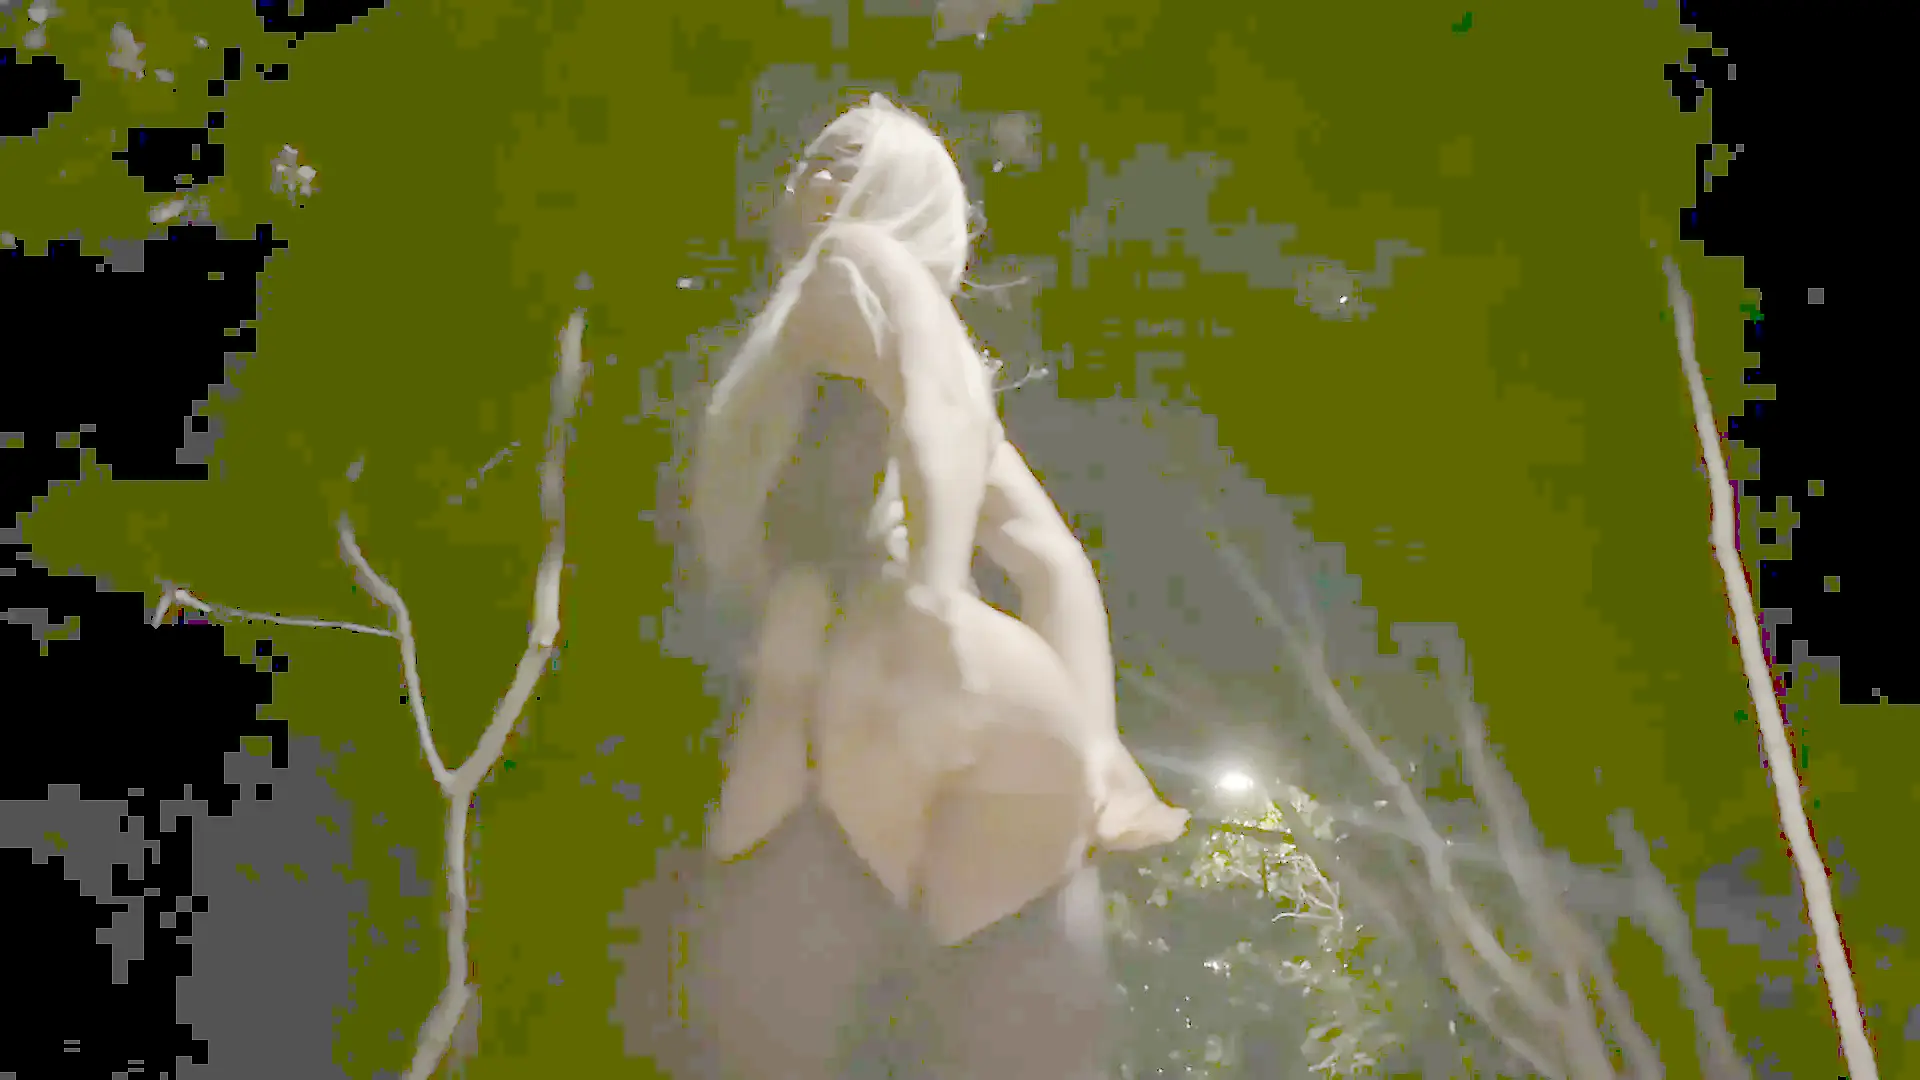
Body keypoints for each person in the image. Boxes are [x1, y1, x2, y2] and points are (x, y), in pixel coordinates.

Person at [681, 93, 1186, 1078]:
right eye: (819, 154)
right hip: (1004, 696)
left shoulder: (851, 262)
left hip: (870, 666)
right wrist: (1094, 746)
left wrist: (935, 603)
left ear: (898, 199)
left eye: (850, 161)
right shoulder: (853, 331)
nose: (819, 174)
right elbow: (1049, 557)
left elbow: (941, 399)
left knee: (756, 1042)